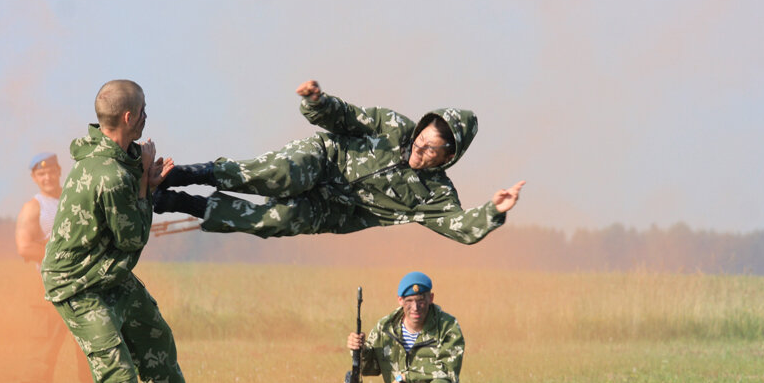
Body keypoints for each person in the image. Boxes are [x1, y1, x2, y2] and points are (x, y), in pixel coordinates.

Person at [41, 79, 198, 383]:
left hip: (108, 273)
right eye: (143, 111)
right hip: (79, 284)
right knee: (119, 377)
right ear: (129, 117)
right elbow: (132, 237)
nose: (147, 118)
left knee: (157, 342)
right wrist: (146, 185)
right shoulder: (105, 174)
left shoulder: (116, 157)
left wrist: (145, 177)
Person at [152, 80, 523, 244]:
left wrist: (493, 210)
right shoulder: (393, 126)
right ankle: (180, 175)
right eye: (422, 140)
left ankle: (177, 202)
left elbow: (461, 227)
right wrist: (318, 101)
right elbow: (346, 117)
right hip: (324, 160)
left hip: (334, 210)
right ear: (421, 127)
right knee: (281, 175)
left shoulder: (435, 195)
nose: (420, 151)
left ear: (448, 157)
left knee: (275, 221)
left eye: (431, 151)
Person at [15, 152, 96, 383]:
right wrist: (61, 253)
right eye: (41, 173)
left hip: (82, 285)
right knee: (44, 348)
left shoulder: (74, 199)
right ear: (34, 177)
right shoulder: (33, 208)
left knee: (90, 343)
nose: (47, 177)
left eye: (51, 171)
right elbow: (25, 247)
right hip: (49, 287)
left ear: (59, 171)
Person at [347, 271, 463, 383]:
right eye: (409, 301)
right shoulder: (385, 327)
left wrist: (403, 378)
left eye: (421, 300)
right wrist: (360, 350)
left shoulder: (447, 326)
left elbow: (448, 370)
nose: (415, 307)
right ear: (400, 300)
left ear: (431, 298)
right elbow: (368, 369)